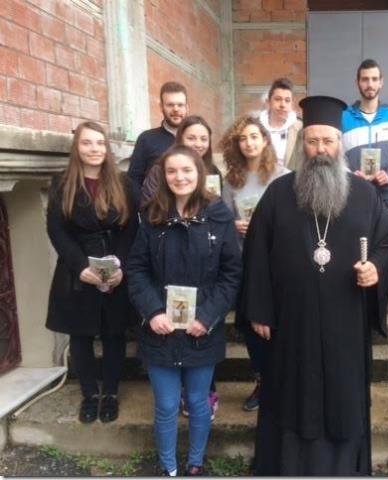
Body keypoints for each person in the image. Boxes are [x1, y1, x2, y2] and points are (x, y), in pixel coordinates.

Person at [239, 95, 388, 475]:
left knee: (343, 396)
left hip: (346, 321)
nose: (321, 149)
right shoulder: (279, 193)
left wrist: (376, 269)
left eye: (328, 141)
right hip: (292, 322)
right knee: (292, 395)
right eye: (313, 141)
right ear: (302, 145)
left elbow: (387, 244)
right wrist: (259, 308)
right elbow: (256, 253)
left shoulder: (365, 194)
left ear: (340, 144)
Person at [126, 145, 242, 476]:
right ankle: (168, 467)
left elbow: (231, 273)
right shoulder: (152, 216)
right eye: (172, 171)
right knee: (165, 405)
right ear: (164, 176)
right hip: (160, 329)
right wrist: (152, 312)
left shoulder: (219, 216)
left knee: (198, 401)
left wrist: (207, 316)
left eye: (187, 170)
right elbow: (137, 269)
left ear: (199, 173)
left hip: (201, 329)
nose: (180, 177)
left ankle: (195, 462)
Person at [45, 121, 139, 424]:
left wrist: (120, 265)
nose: (94, 149)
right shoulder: (62, 183)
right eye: (87, 143)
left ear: (106, 148)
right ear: (77, 147)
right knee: (81, 334)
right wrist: (80, 266)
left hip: (114, 265)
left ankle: (110, 393)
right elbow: (56, 230)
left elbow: (132, 229)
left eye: (99, 143)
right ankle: (90, 394)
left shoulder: (124, 183)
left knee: (113, 333)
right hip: (77, 268)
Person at [219, 116, 289, 412]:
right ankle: (262, 380)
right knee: (251, 325)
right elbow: (221, 219)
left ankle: (282, 381)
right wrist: (233, 225)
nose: (248, 143)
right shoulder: (231, 181)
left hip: (278, 262)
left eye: (254, 136)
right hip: (244, 261)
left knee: (280, 324)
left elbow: (293, 220)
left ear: (265, 140)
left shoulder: (283, 176)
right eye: (242, 138)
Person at [342, 58, 388, 212]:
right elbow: (335, 159)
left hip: (384, 197)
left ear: (381, 82)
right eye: (365, 79)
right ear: (357, 83)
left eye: (374, 79)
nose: (370, 84)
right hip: (351, 196)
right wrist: (350, 176)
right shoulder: (343, 118)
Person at [127, 81, 189, 187]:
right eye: (170, 105)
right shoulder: (146, 139)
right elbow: (133, 181)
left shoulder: (196, 140)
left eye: (180, 105)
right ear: (161, 107)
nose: (176, 109)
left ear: (187, 107)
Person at [258, 77, 302, 168]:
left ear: (292, 104)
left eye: (287, 100)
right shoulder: (255, 126)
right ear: (268, 102)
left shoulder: (300, 128)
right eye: (278, 99)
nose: (282, 105)